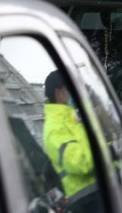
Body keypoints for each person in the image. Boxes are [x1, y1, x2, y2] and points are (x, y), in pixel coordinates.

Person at [43, 71, 99, 210]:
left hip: (97, 191)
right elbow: (80, 163)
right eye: (68, 88)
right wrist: (105, 152)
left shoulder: (70, 118)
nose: (71, 93)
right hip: (86, 201)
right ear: (59, 93)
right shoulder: (54, 129)